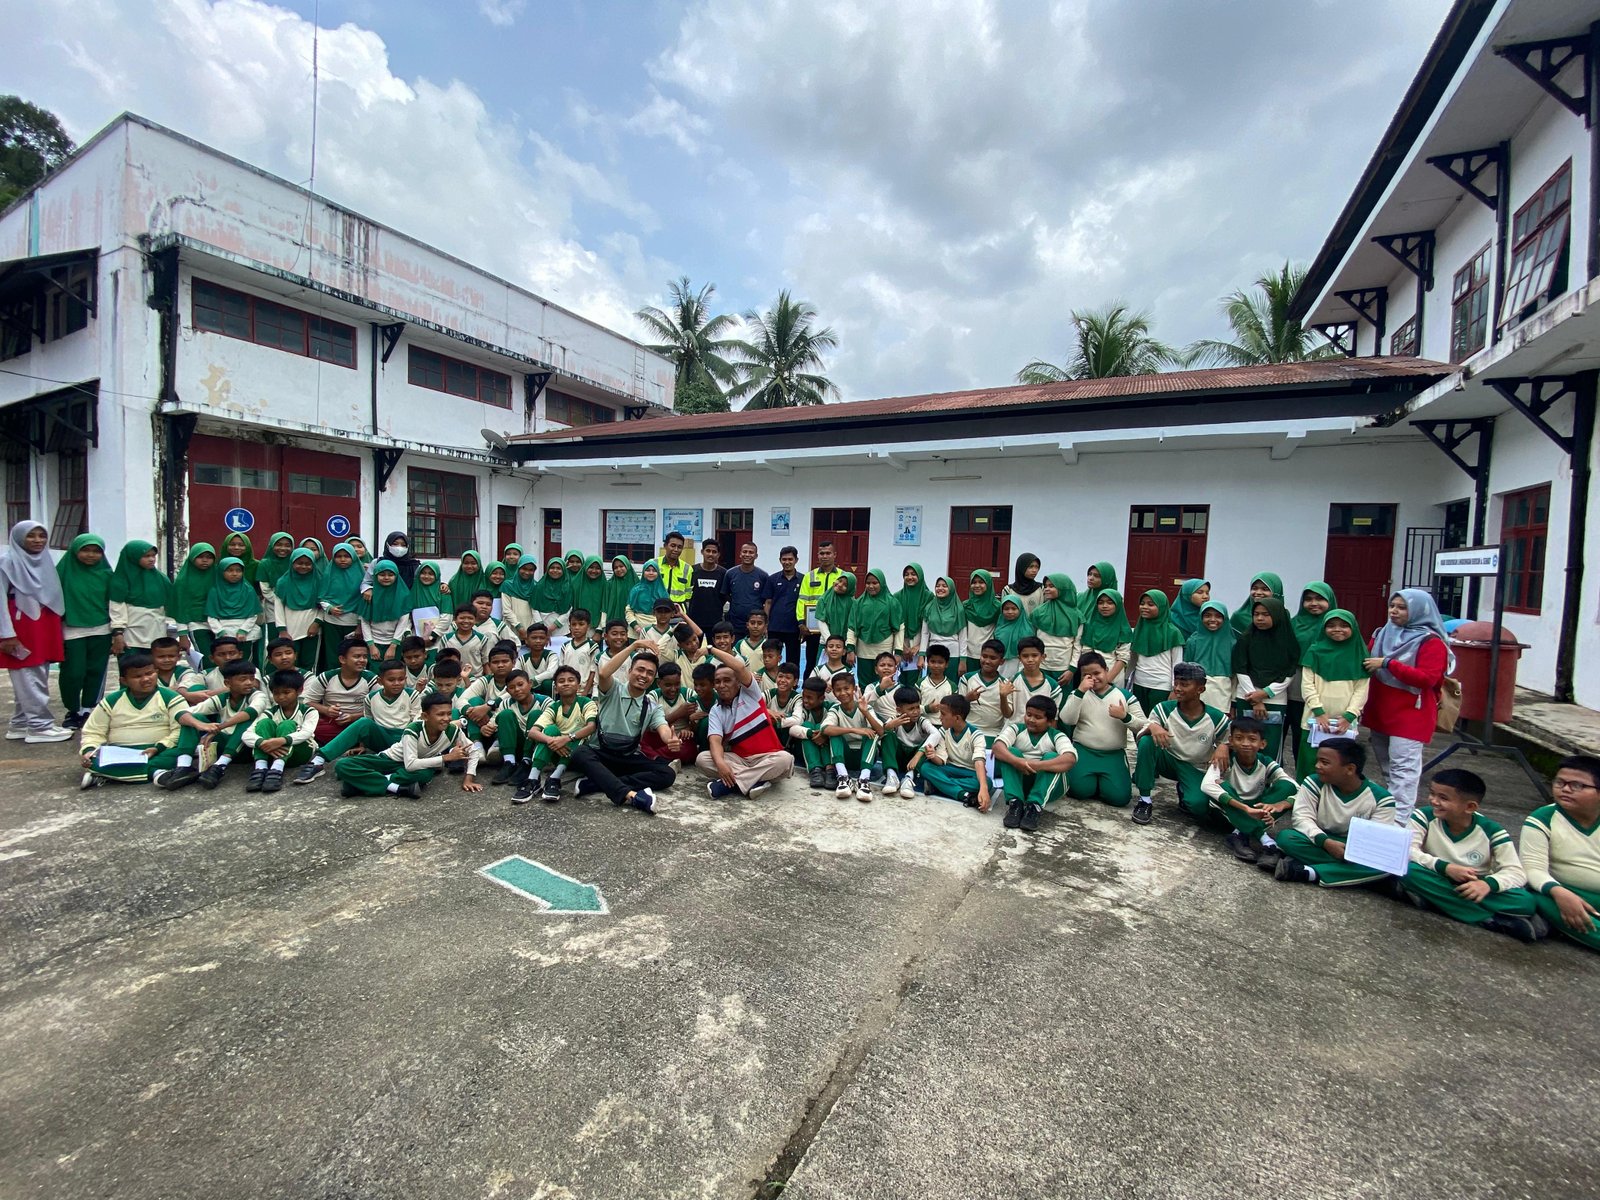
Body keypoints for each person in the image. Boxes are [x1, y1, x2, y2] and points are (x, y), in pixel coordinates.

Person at [1401, 768, 1544, 941]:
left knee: (1525, 902)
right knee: (1406, 869)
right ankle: (1487, 920)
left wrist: (1487, 885)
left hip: (1472, 887)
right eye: (1432, 794)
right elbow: (1407, 850)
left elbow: (1516, 871)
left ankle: (1435, 901)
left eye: (1443, 798)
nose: (1434, 801)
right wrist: (1444, 867)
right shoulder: (1423, 816)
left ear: (1470, 807)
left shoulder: (1492, 830)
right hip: (1435, 875)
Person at [1363, 588, 1452, 825]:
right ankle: (1388, 817)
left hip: (1411, 714)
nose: (1394, 611)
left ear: (1418, 611)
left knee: (1404, 773)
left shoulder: (1431, 642)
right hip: (1381, 710)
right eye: (1392, 606)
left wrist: (1388, 663)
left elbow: (1427, 678)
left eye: (1402, 608)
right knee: (1387, 769)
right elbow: (1365, 660)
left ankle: (1399, 825)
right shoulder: (1383, 633)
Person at [568, 640, 679, 812]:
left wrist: (670, 739)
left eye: (650, 673)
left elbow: (663, 727)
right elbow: (604, 673)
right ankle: (631, 795)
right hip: (601, 753)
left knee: (667, 774)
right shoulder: (613, 690)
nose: (644, 675)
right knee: (580, 753)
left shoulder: (651, 706)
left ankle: (597, 784)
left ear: (654, 679)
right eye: (640, 670)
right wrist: (633, 646)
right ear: (629, 671)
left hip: (627, 757)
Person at [1268, 737, 1397, 886]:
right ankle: (1354, 875)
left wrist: (1349, 851)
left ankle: (1308, 872)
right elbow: (1302, 818)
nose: (1317, 766)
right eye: (1318, 761)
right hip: (1319, 840)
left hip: (1351, 849)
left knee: (1387, 864)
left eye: (1325, 762)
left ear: (1350, 769)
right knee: (1286, 837)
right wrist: (1326, 842)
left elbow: (1374, 842)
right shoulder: (1314, 782)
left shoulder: (1382, 799)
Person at [1131, 661, 1230, 826]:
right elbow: (1142, 734)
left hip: (1194, 767)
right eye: (1176, 683)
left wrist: (1224, 746)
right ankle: (1145, 800)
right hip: (1168, 759)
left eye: (1184, 685)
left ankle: (1185, 791)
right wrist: (1154, 726)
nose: (1177, 688)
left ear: (1200, 689)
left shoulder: (1217, 718)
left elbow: (1229, 740)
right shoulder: (1164, 709)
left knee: (1198, 807)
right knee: (1147, 741)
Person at [333, 692, 484, 798]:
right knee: (342, 766)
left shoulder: (453, 730)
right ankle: (395, 788)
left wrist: (469, 778)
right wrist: (446, 758)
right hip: (390, 760)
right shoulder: (413, 729)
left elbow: (474, 751)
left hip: (416, 766)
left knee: (425, 775)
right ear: (425, 716)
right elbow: (410, 764)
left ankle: (360, 784)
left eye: (449, 714)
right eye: (440, 714)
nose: (446, 718)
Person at [1519, 755, 1600, 952]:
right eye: (1560, 782)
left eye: (1577, 785)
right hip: (1563, 894)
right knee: (1531, 898)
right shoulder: (1542, 819)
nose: (1565, 789)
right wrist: (1560, 892)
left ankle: (1555, 925)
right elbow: (1532, 870)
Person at [295, 658, 418, 784]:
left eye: (401, 679)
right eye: (391, 680)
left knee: (349, 765)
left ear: (406, 678)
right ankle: (318, 761)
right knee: (364, 722)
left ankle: (374, 774)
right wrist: (362, 745)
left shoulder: (412, 695)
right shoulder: (370, 698)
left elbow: (417, 724)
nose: (397, 683)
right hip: (383, 738)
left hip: (405, 739)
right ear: (380, 681)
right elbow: (370, 722)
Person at [699, 635, 794, 799]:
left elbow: (740, 668)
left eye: (727, 680)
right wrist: (721, 764)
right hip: (739, 759)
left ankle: (731, 784)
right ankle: (754, 782)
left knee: (785, 760)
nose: (722, 685)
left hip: (767, 756)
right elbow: (715, 741)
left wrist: (710, 649)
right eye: (718, 682)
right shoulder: (716, 710)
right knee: (703, 759)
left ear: (738, 682)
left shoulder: (750, 693)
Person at [0, 520, 70, 742]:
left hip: (43, 623)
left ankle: (21, 723)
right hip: (21, 626)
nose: (38, 540)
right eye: (31, 536)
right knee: (28, 674)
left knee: (36, 672)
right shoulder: (7, 562)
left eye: (42, 535)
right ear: (19, 538)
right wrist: (6, 634)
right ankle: (39, 726)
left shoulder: (44, 560)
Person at [77, 651, 187, 786]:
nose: (146, 679)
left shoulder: (170, 697)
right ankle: (156, 773)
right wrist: (89, 751)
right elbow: (93, 731)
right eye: (137, 676)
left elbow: (179, 730)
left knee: (178, 756)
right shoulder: (112, 700)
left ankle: (106, 775)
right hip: (120, 753)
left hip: (158, 750)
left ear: (156, 672)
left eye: (149, 673)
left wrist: (158, 747)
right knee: (92, 761)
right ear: (124, 680)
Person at [154, 660, 268, 791]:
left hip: (246, 748)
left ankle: (219, 767)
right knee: (193, 719)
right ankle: (184, 766)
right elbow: (181, 714)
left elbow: (250, 713)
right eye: (243, 679)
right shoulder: (222, 698)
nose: (249, 683)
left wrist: (219, 727)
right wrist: (200, 725)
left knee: (246, 721)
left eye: (252, 679)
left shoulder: (258, 696)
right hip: (225, 743)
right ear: (227, 683)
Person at [1201, 714, 1297, 863]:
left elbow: (1296, 788)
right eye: (1239, 738)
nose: (1245, 743)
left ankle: (1238, 834)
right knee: (1220, 784)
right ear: (1231, 741)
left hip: (1255, 810)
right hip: (1226, 812)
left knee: (1287, 786)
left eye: (1252, 739)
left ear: (1262, 744)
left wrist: (1279, 805)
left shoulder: (1265, 762)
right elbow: (1206, 785)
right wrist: (1245, 809)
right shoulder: (1225, 759)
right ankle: (1266, 840)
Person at [1297, 609, 1369, 778]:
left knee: (1341, 767)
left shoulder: (1360, 654)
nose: (1337, 629)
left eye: (1344, 625)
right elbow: (1307, 685)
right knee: (1310, 764)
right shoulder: (1314, 651)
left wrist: (1350, 715)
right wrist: (1319, 712)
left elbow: (1361, 689)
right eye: (1331, 625)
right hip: (1314, 721)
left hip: (1344, 723)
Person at [55, 533, 117, 729]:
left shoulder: (107, 574)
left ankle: (89, 708)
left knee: (96, 671)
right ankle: (72, 710)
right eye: (86, 550)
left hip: (101, 628)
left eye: (96, 551)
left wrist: (116, 631)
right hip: (72, 628)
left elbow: (114, 602)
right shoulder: (63, 572)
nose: (91, 555)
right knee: (73, 672)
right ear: (75, 551)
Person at [994, 695, 1076, 832]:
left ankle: (1034, 807)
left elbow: (1070, 759)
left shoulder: (1057, 735)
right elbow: (997, 747)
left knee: (1052, 757)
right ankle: (1015, 804)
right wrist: (1017, 761)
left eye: (1037, 717)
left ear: (1049, 721)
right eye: (1028, 714)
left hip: (1049, 787)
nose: (1031, 720)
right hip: (1022, 784)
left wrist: (1035, 765)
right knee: (1010, 752)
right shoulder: (1016, 729)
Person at [1232, 596, 1299, 761]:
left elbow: (1289, 672)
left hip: (1275, 700)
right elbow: (1240, 669)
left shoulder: (1288, 642)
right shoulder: (1246, 638)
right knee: (1245, 744)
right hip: (1246, 696)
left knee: (1270, 746)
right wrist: (1255, 698)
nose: (1260, 618)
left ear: (1277, 616)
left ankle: (1269, 782)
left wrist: (1265, 693)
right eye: (1256, 614)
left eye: (1266, 614)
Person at [521, 665, 599, 802]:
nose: (566, 683)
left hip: (580, 755)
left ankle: (554, 778)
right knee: (550, 730)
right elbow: (533, 732)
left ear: (578, 686)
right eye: (562, 681)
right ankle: (533, 780)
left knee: (577, 733)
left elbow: (591, 726)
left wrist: (567, 738)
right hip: (557, 750)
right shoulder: (554, 706)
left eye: (571, 680)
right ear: (556, 688)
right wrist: (553, 740)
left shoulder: (586, 703)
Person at [242, 669, 319, 793]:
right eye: (276, 693)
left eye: (286, 692)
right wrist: (262, 742)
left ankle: (277, 770)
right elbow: (246, 734)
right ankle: (260, 768)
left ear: (299, 691)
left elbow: (307, 733)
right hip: (272, 751)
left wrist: (281, 740)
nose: (281, 697)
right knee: (264, 724)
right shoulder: (270, 712)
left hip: (300, 752)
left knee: (287, 724)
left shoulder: (309, 711)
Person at [918, 694, 990, 810]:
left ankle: (938, 785)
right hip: (949, 768)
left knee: (986, 783)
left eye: (943, 714)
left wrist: (984, 788)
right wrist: (933, 756)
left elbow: (979, 761)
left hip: (969, 772)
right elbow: (941, 761)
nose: (940, 717)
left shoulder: (976, 735)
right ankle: (964, 794)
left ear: (957, 718)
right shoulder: (943, 731)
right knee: (926, 767)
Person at [303, 636, 374, 747]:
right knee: (306, 728)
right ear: (342, 659)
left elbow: (379, 708)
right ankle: (349, 743)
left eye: (365, 656)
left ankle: (338, 745)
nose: (362, 660)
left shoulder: (371, 678)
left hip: (360, 723)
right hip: (332, 723)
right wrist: (327, 710)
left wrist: (354, 716)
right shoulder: (326, 677)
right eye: (356, 656)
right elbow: (308, 702)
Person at [108, 539, 173, 654]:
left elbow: (168, 605)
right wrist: (118, 633)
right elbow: (117, 607)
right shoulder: (121, 579)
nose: (152, 559)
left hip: (156, 633)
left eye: (153, 555)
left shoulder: (161, 579)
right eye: (146, 556)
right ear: (133, 557)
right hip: (130, 636)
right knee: (131, 669)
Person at [822, 671, 878, 801]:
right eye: (838, 690)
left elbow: (880, 731)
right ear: (834, 693)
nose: (842, 693)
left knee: (872, 734)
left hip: (864, 757)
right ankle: (843, 778)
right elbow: (825, 729)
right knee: (834, 733)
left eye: (846, 688)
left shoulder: (865, 707)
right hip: (844, 757)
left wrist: (866, 713)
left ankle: (864, 780)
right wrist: (854, 730)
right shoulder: (835, 709)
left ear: (854, 689)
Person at [1128, 589, 1185, 715]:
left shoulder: (1173, 632)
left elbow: (1177, 664)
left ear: (1162, 607)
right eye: (1142, 603)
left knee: (1157, 721)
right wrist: (1126, 682)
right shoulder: (1138, 629)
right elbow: (1132, 659)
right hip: (1139, 683)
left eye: (1151, 604)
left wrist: (1175, 689)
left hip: (1161, 686)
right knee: (1139, 721)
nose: (1144, 607)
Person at [874, 684, 937, 798]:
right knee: (887, 734)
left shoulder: (922, 721)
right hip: (898, 760)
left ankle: (909, 778)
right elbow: (878, 737)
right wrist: (888, 727)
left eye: (917, 707)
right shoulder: (894, 720)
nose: (916, 712)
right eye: (911, 709)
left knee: (929, 743)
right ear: (899, 710)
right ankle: (891, 775)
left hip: (914, 761)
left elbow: (936, 734)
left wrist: (918, 755)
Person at [848, 569, 902, 686]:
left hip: (884, 647)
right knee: (864, 682)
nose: (871, 586)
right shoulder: (858, 603)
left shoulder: (892, 602)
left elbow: (899, 628)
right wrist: (850, 650)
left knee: (884, 681)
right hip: (864, 649)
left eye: (875, 583)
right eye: (868, 583)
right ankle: (865, 704)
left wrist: (898, 652)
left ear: (882, 583)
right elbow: (852, 627)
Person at [796, 540, 842, 675]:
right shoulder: (809, 576)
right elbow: (802, 601)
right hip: (813, 629)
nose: (825, 556)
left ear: (835, 555)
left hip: (836, 627)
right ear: (817, 555)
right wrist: (801, 622)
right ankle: (808, 691)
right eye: (822, 553)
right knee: (812, 662)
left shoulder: (842, 576)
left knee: (837, 663)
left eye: (828, 553)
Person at [273, 548, 324, 669]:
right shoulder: (283, 582)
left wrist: (317, 623)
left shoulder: (319, 580)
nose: (304, 566)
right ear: (292, 563)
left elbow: (323, 604)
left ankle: (307, 687)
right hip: (289, 631)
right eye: (299, 563)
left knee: (309, 663)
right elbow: (278, 607)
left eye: (308, 564)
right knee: (290, 663)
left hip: (312, 630)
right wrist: (282, 630)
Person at [1184, 600, 1236, 716]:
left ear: (1225, 619)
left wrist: (1233, 704)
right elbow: (1186, 670)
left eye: (1218, 616)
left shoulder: (1233, 643)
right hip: (1196, 692)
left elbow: (1235, 677)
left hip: (1223, 695)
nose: (1212, 619)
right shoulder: (1193, 641)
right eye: (1207, 616)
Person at [170, 542, 218, 664]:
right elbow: (180, 608)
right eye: (200, 557)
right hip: (196, 624)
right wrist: (182, 635)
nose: (205, 561)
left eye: (209, 557)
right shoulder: (183, 580)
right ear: (192, 558)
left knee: (222, 658)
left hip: (219, 623)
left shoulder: (217, 575)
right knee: (207, 659)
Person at [204, 556, 263, 652]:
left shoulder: (248, 590)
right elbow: (211, 616)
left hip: (247, 633)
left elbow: (253, 615)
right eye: (230, 570)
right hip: (223, 631)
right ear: (221, 572)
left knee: (245, 662)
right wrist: (220, 632)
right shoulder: (215, 591)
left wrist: (243, 630)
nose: (235, 574)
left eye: (238, 571)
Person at [785, 676, 835, 788]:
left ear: (822, 698)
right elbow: (792, 729)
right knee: (807, 726)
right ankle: (815, 770)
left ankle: (829, 770)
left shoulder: (830, 708)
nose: (805, 700)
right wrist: (811, 734)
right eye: (804, 696)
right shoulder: (801, 709)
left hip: (823, 749)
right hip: (802, 750)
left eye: (809, 697)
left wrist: (823, 733)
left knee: (824, 728)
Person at [1031, 574, 1080, 688]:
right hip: (1040, 667)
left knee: (1063, 704)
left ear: (1063, 588)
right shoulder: (1038, 613)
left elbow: (1078, 646)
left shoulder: (1076, 616)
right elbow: (1032, 640)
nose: (1047, 589)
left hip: (1063, 670)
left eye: (1052, 586)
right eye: (1046, 586)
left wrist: (1072, 670)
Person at [1078, 588, 1133, 684]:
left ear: (1118, 605)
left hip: (1113, 676)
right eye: (1100, 602)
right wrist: (1091, 678)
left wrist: (1106, 680)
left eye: (1110, 603)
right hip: (1090, 676)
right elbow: (1086, 653)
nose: (1104, 606)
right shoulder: (1090, 625)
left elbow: (1123, 658)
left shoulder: (1123, 629)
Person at [919, 576, 967, 674]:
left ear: (951, 589)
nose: (940, 588)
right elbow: (925, 633)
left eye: (944, 586)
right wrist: (921, 655)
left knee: (950, 686)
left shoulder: (959, 609)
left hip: (953, 655)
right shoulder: (929, 608)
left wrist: (963, 660)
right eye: (938, 586)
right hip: (933, 652)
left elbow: (963, 636)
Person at [767, 546, 805, 669]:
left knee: (793, 661)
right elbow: (768, 602)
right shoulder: (772, 579)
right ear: (780, 560)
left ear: (796, 560)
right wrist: (766, 623)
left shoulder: (804, 579)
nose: (787, 562)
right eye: (784, 559)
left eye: (790, 559)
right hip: (774, 627)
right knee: (772, 657)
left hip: (794, 628)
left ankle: (793, 684)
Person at [894, 564, 933, 678]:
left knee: (915, 678)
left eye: (913, 574)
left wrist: (919, 647)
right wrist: (902, 647)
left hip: (920, 638)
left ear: (920, 576)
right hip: (901, 638)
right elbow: (894, 622)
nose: (910, 577)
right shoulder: (897, 597)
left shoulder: (928, 596)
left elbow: (931, 624)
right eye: (906, 575)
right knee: (901, 678)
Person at [721, 542, 769, 631]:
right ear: (740, 554)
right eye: (744, 552)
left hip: (756, 624)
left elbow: (766, 600)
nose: (747, 555)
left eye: (751, 552)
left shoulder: (763, 576)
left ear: (756, 556)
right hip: (735, 622)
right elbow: (725, 594)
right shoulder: (730, 574)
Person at [256, 532, 295, 639]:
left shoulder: (295, 562)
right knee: (275, 639)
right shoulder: (264, 564)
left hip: (294, 606)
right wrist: (280, 602)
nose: (283, 548)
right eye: (278, 544)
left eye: (287, 545)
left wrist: (292, 602)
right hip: (272, 606)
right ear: (271, 545)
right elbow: (265, 590)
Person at [814, 571, 857, 670]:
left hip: (845, 646)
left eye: (845, 585)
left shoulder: (853, 603)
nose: (840, 585)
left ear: (850, 588)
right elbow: (821, 621)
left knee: (844, 678)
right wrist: (830, 641)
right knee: (823, 673)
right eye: (840, 580)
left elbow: (853, 625)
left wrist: (848, 647)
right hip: (826, 643)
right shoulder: (824, 599)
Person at [961, 570, 1001, 673]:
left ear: (988, 584)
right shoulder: (966, 605)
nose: (977, 585)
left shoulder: (996, 606)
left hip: (989, 656)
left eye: (981, 582)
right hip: (968, 654)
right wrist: (962, 658)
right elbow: (962, 632)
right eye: (974, 582)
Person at [528, 557, 572, 644]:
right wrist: (542, 627)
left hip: (561, 629)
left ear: (563, 570)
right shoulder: (540, 586)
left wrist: (553, 627)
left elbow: (568, 609)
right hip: (541, 627)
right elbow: (534, 607)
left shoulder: (568, 587)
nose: (555, 570)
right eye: (552, 568)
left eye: (558, 568)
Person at [991, 596, 1033, 677]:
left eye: (1014, 609)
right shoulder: (999, 626)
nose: (1010, 612)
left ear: (1020, 609)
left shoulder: (1027, 629)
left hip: (1020, 664)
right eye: (1006, 609)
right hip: (1000, 664)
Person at [626, 561, 669, 635]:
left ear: (658, 573)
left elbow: (666, 613)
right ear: (643, 572)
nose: (651, 573)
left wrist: (657, 628)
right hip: (636, 631)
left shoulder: (663, 592)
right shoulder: (636, 590)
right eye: (648, 570)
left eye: (654, 570)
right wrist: (636, 627)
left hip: (657, 630)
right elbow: (629, 611)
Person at [501, 557, 541, 634]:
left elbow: (535, 610)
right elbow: (506, 611)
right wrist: (519, 627)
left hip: (530, 629)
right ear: (518, 568)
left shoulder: (536, 586)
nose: (527, 572)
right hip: (511, 628)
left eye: (531, 570)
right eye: (524, 568)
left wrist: (538, 628)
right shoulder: (508, 585)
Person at [570, 555, 610, 629]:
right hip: (577, 628)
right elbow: (569, 607)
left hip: (598, 629)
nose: (594, 571)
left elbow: (605, 609)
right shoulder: (575, 584)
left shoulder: (606, 586)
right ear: (585, 567)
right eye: (591, 567)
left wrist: (599, 630)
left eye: (598, 568)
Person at [1002, 552, 1046, 617]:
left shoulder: (1041, 589)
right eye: (1030, 567)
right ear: (1021, 567)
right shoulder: (1008, 590)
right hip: (1016, 626)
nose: (1034, 570)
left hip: (1035, 626)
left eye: (1037, 567)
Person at [917, 644, 956, 715]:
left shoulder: (952, 686)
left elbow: (955, 709)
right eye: (933, 661)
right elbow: (913, 707)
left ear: (946, 664)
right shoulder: (920, 683)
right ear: (927, 663)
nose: (936, 665)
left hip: (944, 724)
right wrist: (927, 709)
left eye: (940, 662)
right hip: (923, 723)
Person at [658, 532, 693, 607]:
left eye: (679, 547)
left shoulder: (687, 568)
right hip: (657, 609)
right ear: (665, 546)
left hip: (678, 611)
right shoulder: (654, 564)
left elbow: (688, 594)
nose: (676, 549)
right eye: (673, 546)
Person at [603, 555, 638, 628]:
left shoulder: (637, 584)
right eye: (615, 568)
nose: (618, 569)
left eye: (621, 566)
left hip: (634, 623)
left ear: (627, 566)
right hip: (613, 622)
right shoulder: (609, 584)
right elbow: (605, 605)